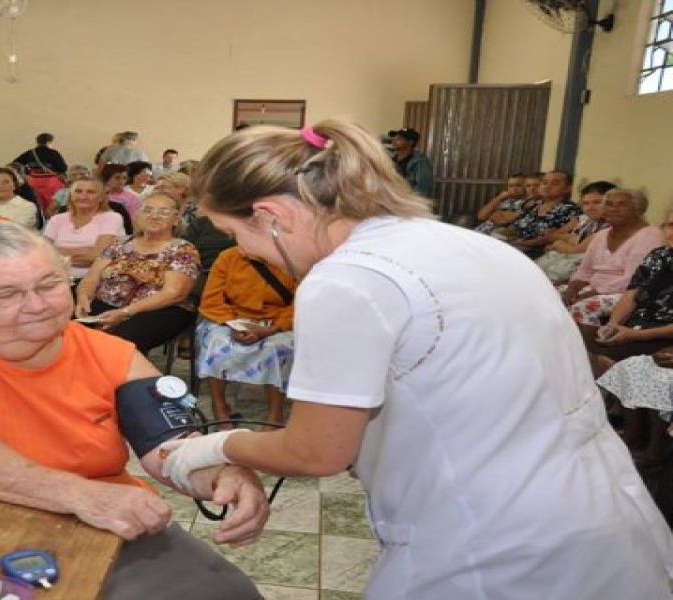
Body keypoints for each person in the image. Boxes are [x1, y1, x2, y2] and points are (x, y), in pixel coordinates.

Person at [153, 121, 673, 600]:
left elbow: (316, 452)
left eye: (235, 234)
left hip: (496, 540)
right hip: (597, 512)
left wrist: (207, 448)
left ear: (272, 215)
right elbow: (458, 380)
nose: (245, 251)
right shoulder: (466, 244)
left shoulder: (346, 280)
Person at [0, 221, 268, 600]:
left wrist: (220, 473)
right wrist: (82, 495)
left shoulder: (112, 352)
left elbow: (170, 443)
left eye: (49, 284)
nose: (36, 306)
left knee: (230, 593)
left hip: (104, 520)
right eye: (7, 294)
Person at [581, 209, 673, 463]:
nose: (671, 232)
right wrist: (613, 323)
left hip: (660, 333)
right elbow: (631, 295)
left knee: (641, 366)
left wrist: (635, 335)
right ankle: (614, 419)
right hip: (636, 328)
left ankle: (647, 443)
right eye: (669, 225)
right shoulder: (660, 255)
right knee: (578, 339)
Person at [75, 193, 199, 352]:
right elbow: (91, 277)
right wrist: (83, 297)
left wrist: (125, 312)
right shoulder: (119, 243)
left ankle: (117, 373)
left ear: (175, 220)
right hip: (109, 303)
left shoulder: (183, 249)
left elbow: (174, 293)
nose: (154, 216)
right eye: (148, 210)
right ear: (138, 217)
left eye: (164, 212)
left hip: (159, 309)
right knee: (66, 327)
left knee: (118, 341)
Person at [196, 247, 296, 426]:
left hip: (275, 320)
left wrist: (272, 329)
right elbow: (211, 301)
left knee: (278, 347)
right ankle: (219, 406)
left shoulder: (292, 258)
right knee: (216, 341)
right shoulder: (228, 257)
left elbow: (299, 303)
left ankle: (275, 414)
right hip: (233, 318)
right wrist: (234, 324)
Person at [561, 188, 662, 326]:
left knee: (583, 307)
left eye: (622, 204)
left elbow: (632, 279)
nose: (613, 209)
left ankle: (586, 345)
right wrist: (572, 288)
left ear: (638, 210)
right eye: (608, 204)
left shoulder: (649, 236)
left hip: (627, 294)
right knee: (549, 294)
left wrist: (593, 293)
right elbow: (585, 269)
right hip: (593, 288)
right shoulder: (601, 235)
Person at [42, 179, 124, 283]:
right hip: (55, 278)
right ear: (71, 195)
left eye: (91, 192)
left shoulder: (112, 217)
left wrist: (57, 252)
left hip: (94, 280)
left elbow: (98, 255)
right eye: (78, 191)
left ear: (101, 197)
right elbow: (42, 252)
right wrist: (86, 250)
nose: (83, 196)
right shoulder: (57, 219)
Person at [533, 180, 614, 283]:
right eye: (585, 203)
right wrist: (565, 243)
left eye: (597, 202)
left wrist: (558, 244)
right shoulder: (590, 222)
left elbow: (576, 249)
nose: (590, 208)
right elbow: (573, 239)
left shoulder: (610, 227)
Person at [509, 169, 581, 256]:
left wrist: (519, 244)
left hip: (541, 254)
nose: (547, 186)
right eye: (544, 182)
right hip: (517, 248)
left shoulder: (571, 210)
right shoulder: (534, 205)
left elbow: (550, 238)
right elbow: (512, 227)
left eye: (554, 183)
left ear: (567, 189)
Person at [13, 132, 68, 213]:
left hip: (33, 181)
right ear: (49, 142)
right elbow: (63, 168)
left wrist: (26, 172)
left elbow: (15, 163)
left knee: (36, 202)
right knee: (52, 203)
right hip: (51, 182)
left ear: (37, 142)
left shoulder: (30, 153)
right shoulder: (53, 152)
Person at [386, 127, 433, 197]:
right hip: (392, 202)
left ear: (411, 142)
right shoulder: (390, 160)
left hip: (409, 203)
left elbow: (423, 189)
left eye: (399, 138)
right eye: (394, 137)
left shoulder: (420, 162)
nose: (394, 140)